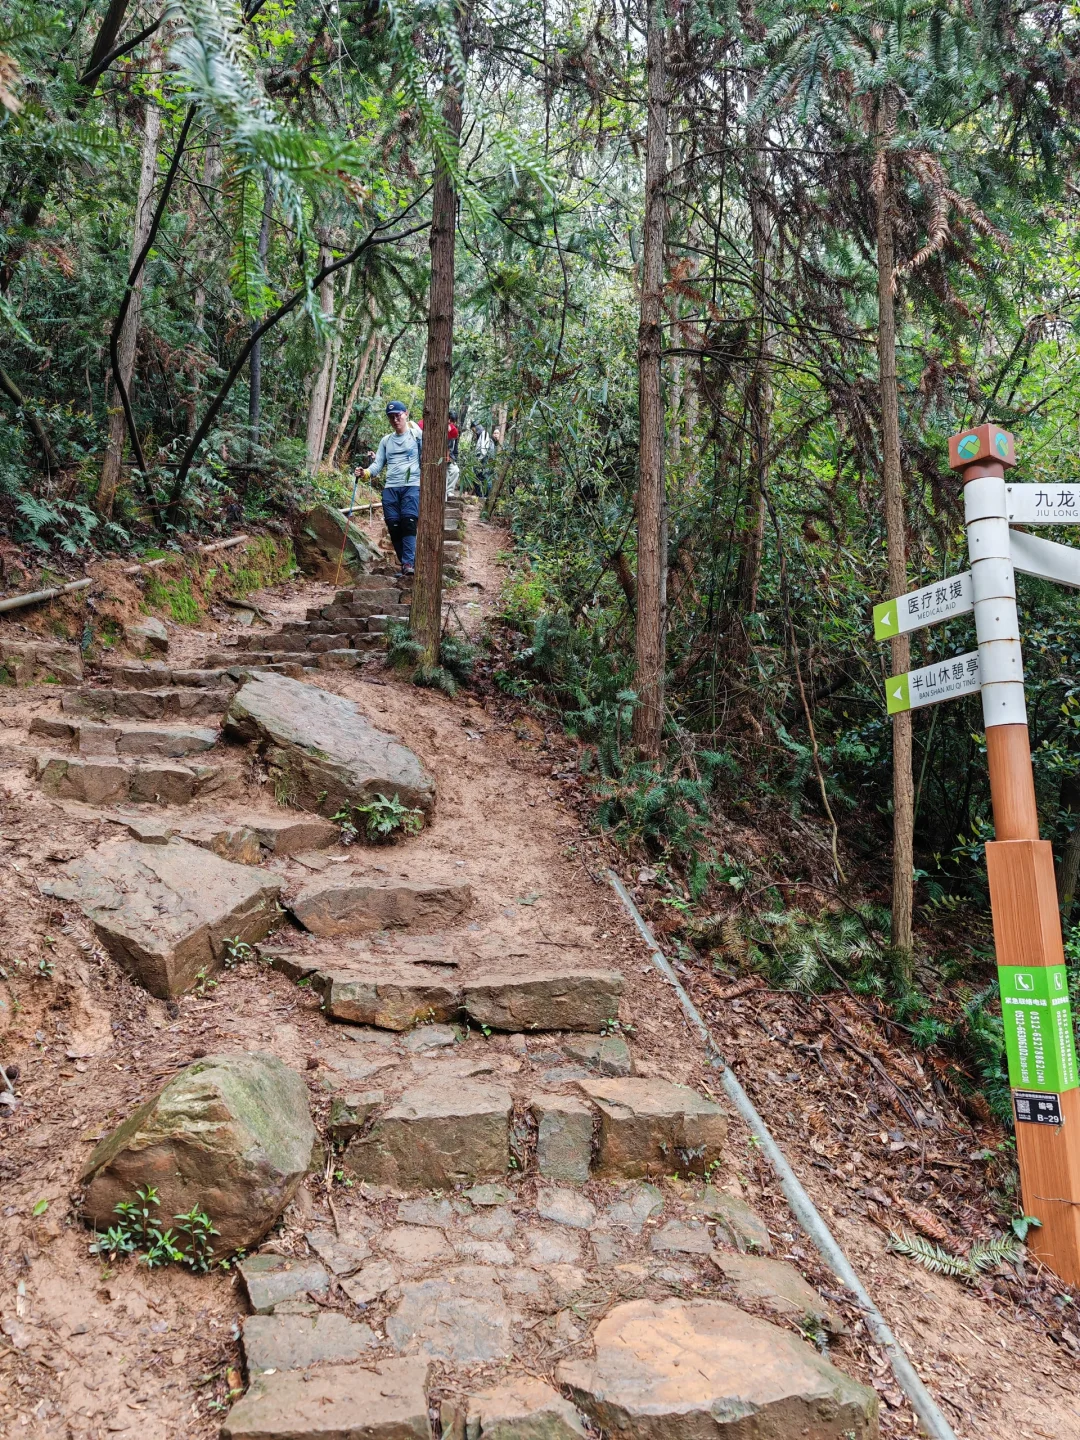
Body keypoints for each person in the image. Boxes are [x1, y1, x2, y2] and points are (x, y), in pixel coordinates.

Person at [358, 400, 422, 575]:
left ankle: (408, 564)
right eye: (391, 417)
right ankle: (407, 563)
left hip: (412, 485)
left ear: (405, 414)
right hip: (391, 487)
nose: (395, 420)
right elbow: (377, 465)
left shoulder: (417, 436)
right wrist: (365, 473)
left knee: (408, 522)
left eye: (398, 415)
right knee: (393, 526)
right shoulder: (386, 441)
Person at [471, 419, 494, 496]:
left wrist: (478, 460)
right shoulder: (481, 434)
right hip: (483, 461)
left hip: (484, 461)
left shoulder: (484, 434)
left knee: (485, 478)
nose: (473, 431)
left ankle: (487, 496)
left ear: (475, 427)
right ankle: (481, 495)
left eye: (472, 429)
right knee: (479, 478)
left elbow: (484, 449)